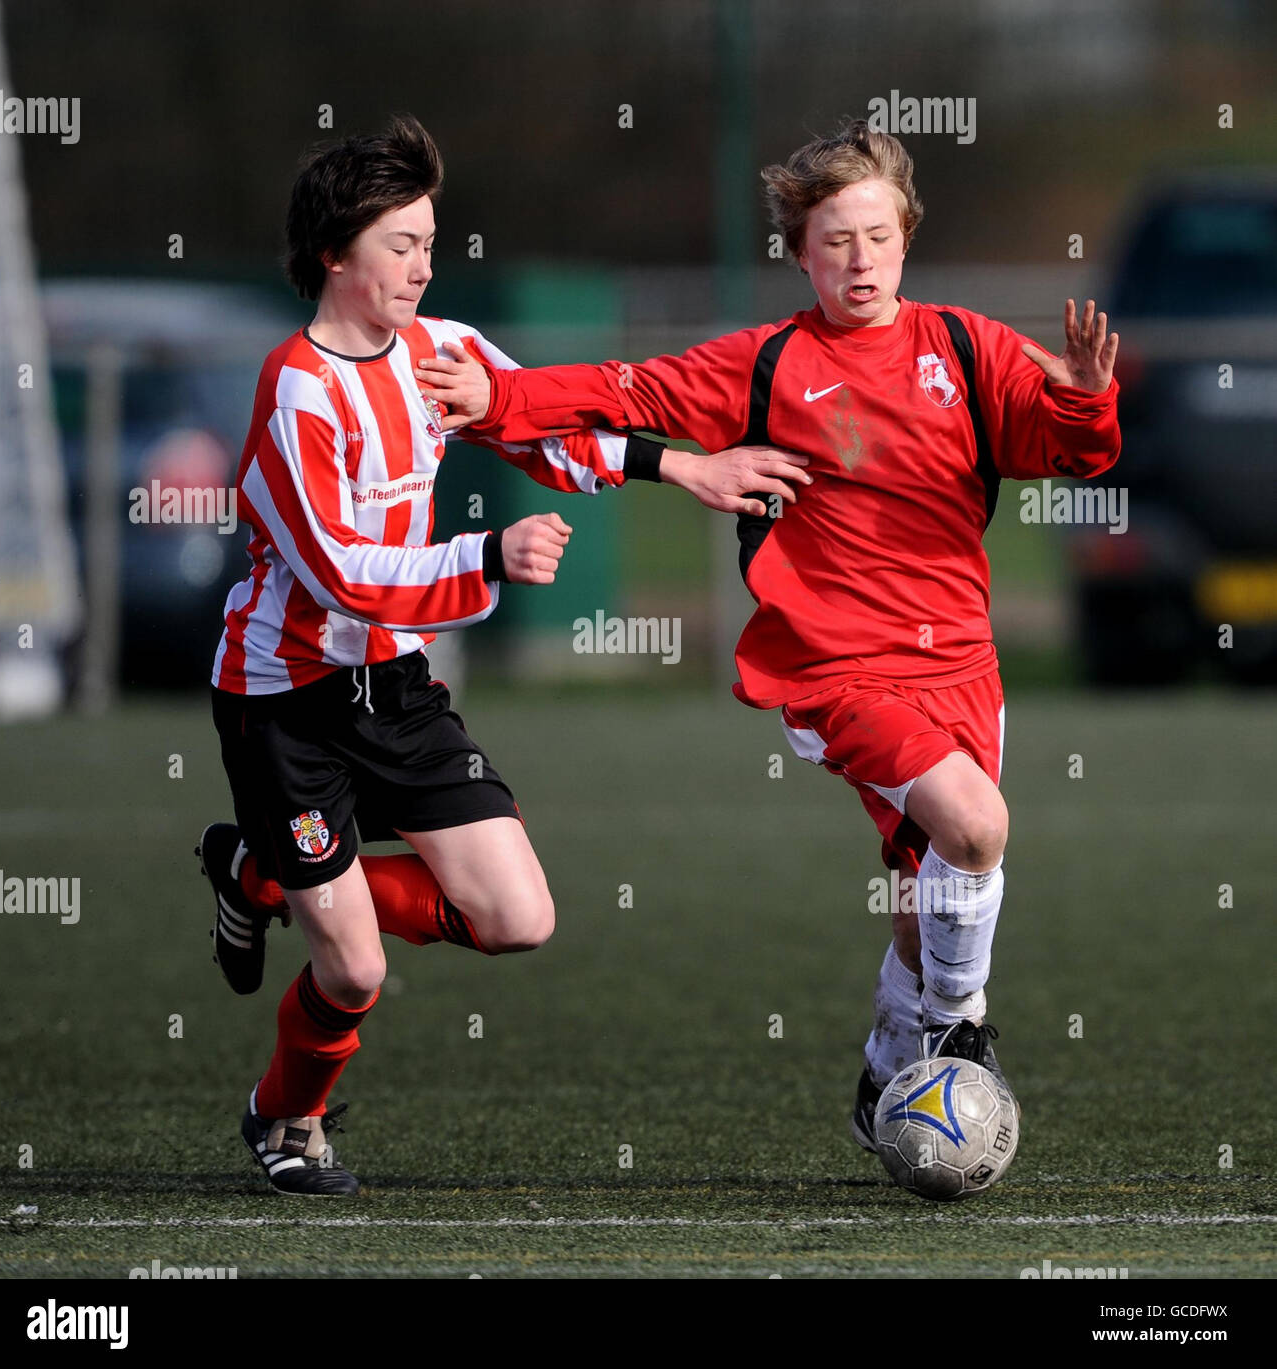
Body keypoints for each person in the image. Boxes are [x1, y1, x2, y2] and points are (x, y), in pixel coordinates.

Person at [418, 119, 1121, 1157]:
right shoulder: (770, 364)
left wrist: (1087, 396)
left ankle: (888, 1068)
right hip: (838, 669)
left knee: (922, 891)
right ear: (800, 253)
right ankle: (957, 1035)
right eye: (834, 240)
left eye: (876, 236)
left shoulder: (966, 349)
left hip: (963, 665)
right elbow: (630, 389)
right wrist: (503, 396)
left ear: (906, 239)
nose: (858, 259)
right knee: (973, 826)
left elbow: (1072, 453)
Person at [196, 114, 811, 1196]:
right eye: (401, 244)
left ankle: (259, 872)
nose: (425, 265)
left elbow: (550, 435)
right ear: (336, 253)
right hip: (284, 700)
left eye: (432, 241)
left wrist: (691, 471)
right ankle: (286, 1118)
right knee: (353, 968)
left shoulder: (443, 352)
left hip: (393, 687)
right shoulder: (297, 392)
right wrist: (487, 552)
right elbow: (341, 570)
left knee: (517, 918)